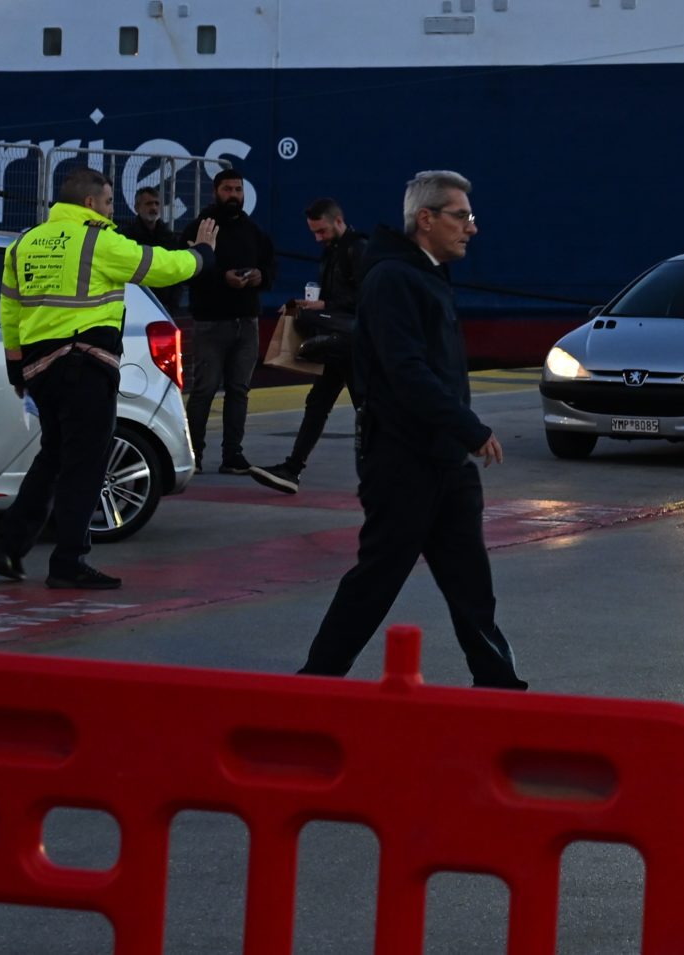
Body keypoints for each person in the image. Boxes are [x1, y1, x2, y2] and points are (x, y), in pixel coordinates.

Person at [298, 171, 523, 689]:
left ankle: (501, 691)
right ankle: (313, 685)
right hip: (403, 464)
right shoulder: (394, 279)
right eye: (461, 216)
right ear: (426, 220)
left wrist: (457, 437)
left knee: (472, 588)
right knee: (375, 582)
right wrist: (468, 426)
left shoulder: (423, 274)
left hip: (444, 463)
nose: (471, 227)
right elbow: (407, 371)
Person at [0, 167, 212, 589]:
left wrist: (16, 369)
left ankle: (10, 547)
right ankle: (68, 562)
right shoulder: (98, 239)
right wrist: (204, 254)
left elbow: (9, 313)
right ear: (90, 203)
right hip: (85, 368)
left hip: (40, 371)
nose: (112, 211)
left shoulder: (23, 244)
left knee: (53, 456)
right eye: (109, 202)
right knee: (86, 465)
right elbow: (161, 267)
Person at [252, 199, 369, 493]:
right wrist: (314, 305)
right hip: (339, 343)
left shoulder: (357, 248)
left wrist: (324, 305)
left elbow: (367, 296)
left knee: (365, 409)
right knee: (321, 404)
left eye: (322, 231)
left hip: (354, 345)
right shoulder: (333, 251)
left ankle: (375, 475)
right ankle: (292, 469)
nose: (318, 238)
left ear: (338, 221)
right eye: (314, 232)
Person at [185, 168, 276, 476]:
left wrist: (260, 277)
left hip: (246, 322)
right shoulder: (200, 227)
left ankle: (233, 455)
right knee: (204, 390)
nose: (234, 195)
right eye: (228, 189)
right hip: (211, 323)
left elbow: (269, 267)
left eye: (238, 189)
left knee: (239, 390)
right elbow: (186, 269)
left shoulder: (254, 231)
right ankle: (193, 454)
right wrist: (222, 278)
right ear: (215, 192)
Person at [117, 187, 189, 319]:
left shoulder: (169, 237)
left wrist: (173, 303)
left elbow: (178, 272)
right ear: (137, 207)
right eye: (149, 204)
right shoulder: (126, 237)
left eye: (157, 203)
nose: (154, 208)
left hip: (165, 307)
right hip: (135, 307)